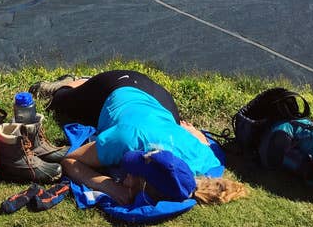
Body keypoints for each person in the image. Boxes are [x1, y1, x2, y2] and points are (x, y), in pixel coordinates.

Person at [36, 70, 246, 206]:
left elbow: (204, 143)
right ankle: (78, 80)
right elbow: (70, 160)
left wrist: (193, 133)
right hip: (118, 87)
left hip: (161, 103)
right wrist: (109, 185)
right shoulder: (125, 141)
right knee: (60, 100)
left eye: (132, 171)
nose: (125, 177)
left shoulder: (193, 162)